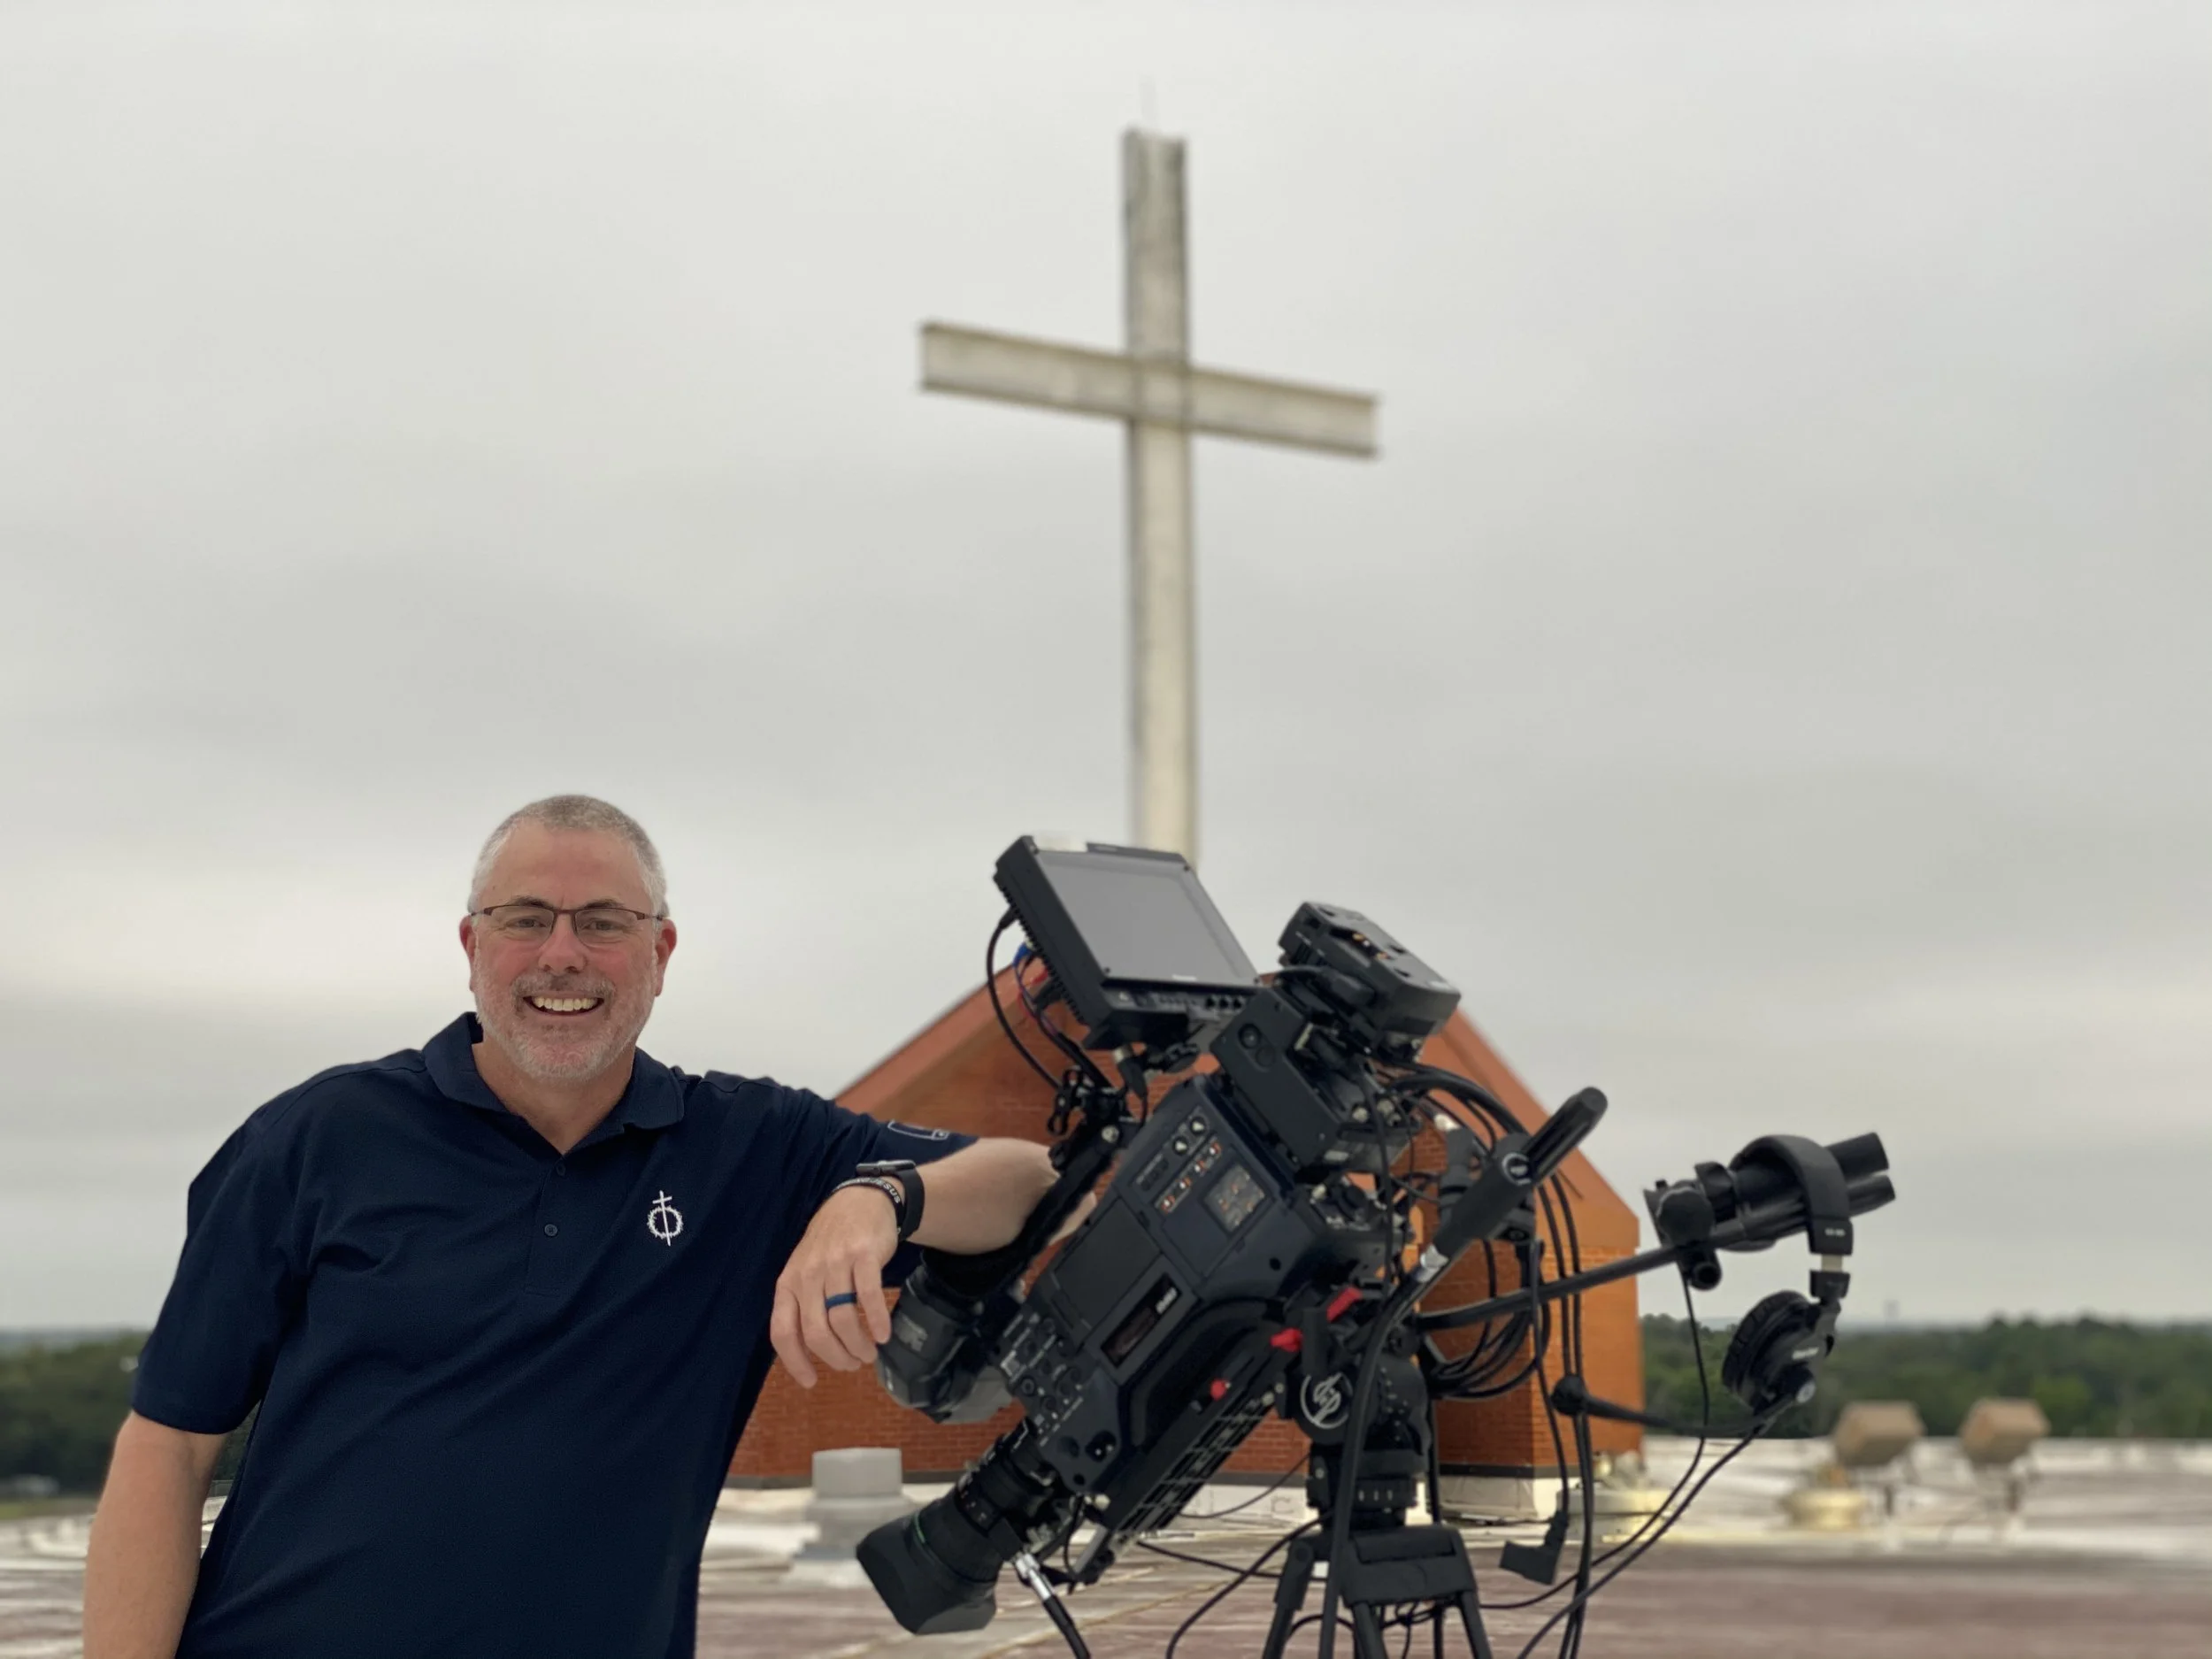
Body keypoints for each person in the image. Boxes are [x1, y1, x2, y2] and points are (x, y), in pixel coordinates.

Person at [81, 795, 1055, 1659]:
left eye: (602, 923)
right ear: (470, 947)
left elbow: (1036, 1183)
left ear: (660, 954)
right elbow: (168, 1442)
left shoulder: (753, 1149)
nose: (561, 954)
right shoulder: (318, 1138)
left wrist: (878, 1196)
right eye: (524, 920)